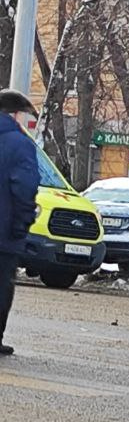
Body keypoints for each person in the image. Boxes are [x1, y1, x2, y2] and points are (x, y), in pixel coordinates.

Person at [0, 89, 40, 357]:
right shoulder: (19, 144)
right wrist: (21, 227)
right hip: (4, 233)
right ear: (14, 114)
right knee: (2, 286)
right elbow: (25, 189)